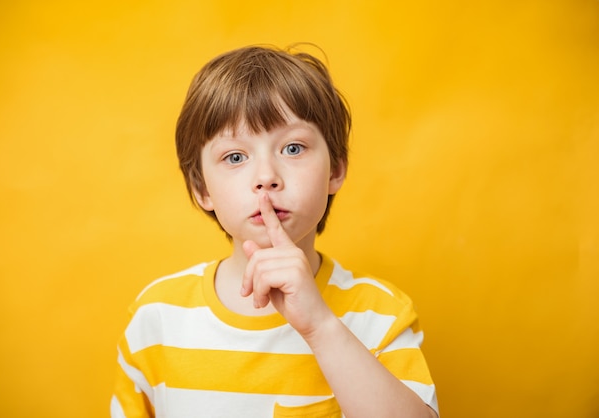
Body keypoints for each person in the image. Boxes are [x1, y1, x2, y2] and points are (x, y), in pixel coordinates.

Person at [111, 44, 439, 418]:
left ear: (335, 171)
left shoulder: (380, 314)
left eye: (294, 148)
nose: (266, 177)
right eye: (235, 157)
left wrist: (320, 326)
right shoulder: (157, 315)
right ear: (203, 189)